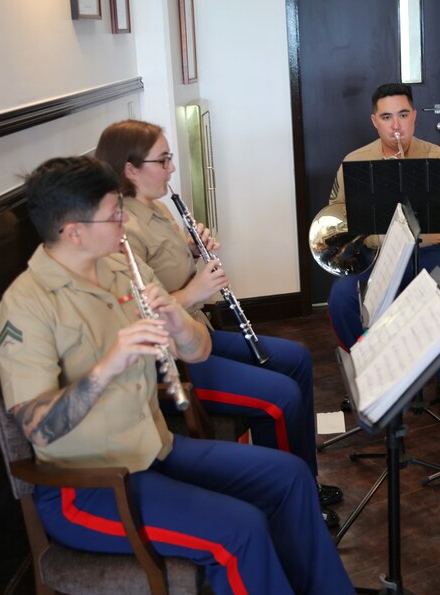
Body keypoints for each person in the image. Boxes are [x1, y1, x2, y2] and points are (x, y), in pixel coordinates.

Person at [0, 156, 354, 595]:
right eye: (114, 215)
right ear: (73, 231)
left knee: (290, 477)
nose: (124, 222)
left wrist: (178, 323)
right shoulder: (26, 306)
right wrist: (108, 365)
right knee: (238, 531)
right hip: (89, 487)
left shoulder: (120, 266)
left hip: (155, 448)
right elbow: (36, 426)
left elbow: (198, 351)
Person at [94, 120, 343, 528]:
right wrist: (197, 289)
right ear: (130, 169)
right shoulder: (123, 230)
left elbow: (167, 269)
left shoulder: (155, 205)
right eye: (163, 159)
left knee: (296, 358)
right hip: (174, 358)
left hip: (198, 333)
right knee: (280, 396)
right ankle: (285, 501)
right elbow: (142, 314)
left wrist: (191, 247)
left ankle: (305, 481)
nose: (172, 167)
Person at [326, 82, 440, 412]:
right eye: (387, 117)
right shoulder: (355, 162)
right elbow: (338, 215)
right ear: (374, 121)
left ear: (414, 116)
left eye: (403, 115)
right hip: (373, 254)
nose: (396, 126)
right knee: (342, 297)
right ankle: (367, 375)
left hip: (427, 249)